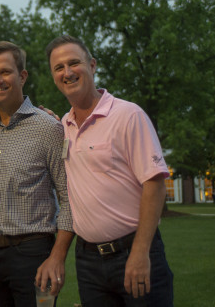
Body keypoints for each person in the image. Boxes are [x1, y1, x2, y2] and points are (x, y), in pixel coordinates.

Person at [46, 35, 173, 306]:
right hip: (88, 261)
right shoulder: (64, 125)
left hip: (133, 252)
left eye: (74, 63)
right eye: (58, 68)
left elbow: (155, 183)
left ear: (92, 65)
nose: (67, 72)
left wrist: (140, 252)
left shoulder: (128, 115)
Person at [0, 41, 74, 307]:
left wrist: (57, 256)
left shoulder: (48, 129)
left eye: (5, 72)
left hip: (33, 254)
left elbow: (70, 199)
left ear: (22, 76)